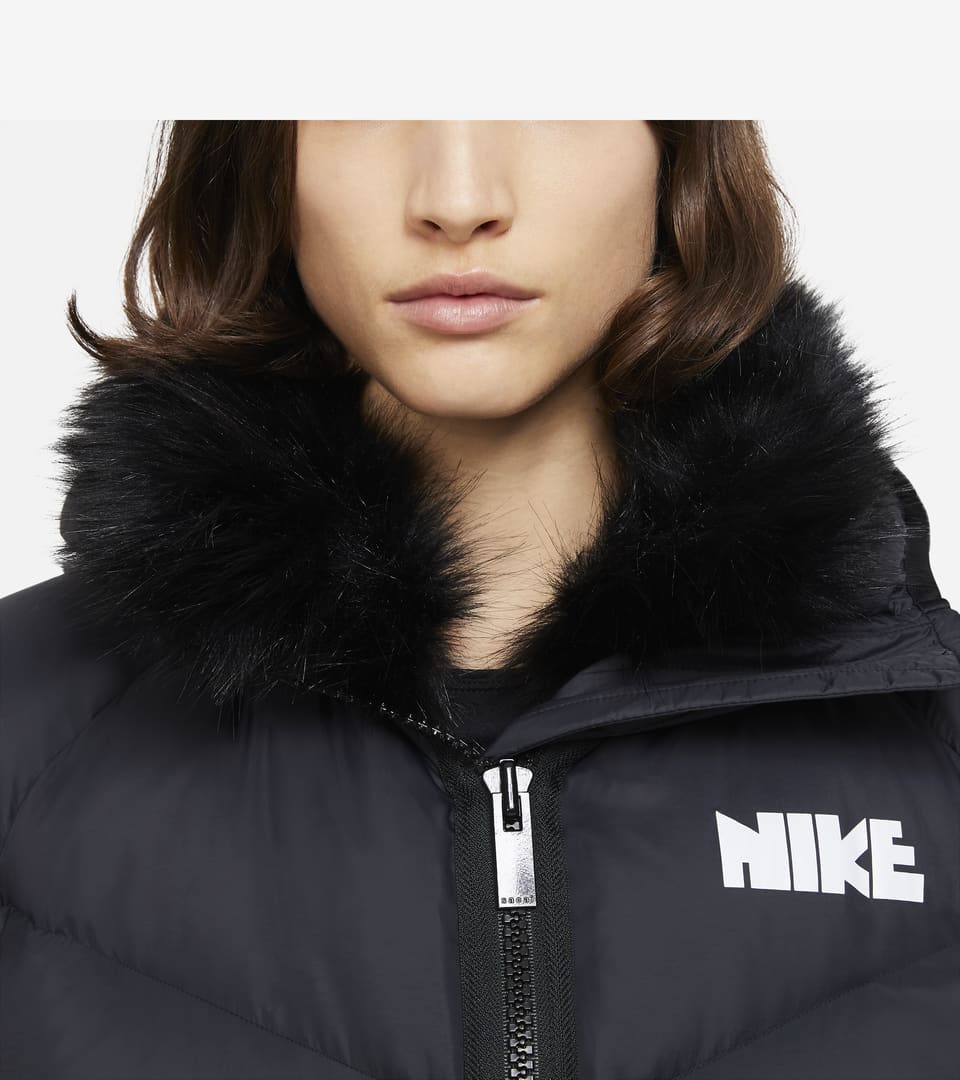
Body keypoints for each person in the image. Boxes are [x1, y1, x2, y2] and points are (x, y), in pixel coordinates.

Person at [1, 120, 958, 1079]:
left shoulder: (929, 741)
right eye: (363, 105)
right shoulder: (25, 731)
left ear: (677, 147)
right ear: (256, 155)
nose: (458, 201)